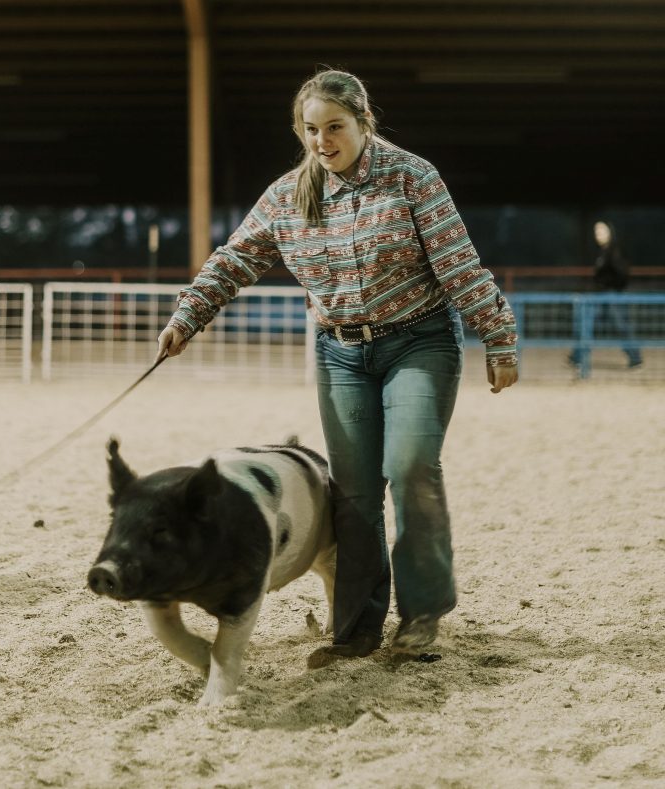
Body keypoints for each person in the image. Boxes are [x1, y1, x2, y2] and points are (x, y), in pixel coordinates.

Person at [157, 69, 518, 666]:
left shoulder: (411, 177)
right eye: (311, 130)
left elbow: (459, 264)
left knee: (409, 470)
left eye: (335, 127)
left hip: (418, 341)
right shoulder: (286, 196)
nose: (323, 141)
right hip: (341, 351)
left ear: (362, 121)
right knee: (354, 493)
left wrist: (498, 338)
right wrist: (188, 316)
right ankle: (354, 629)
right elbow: (235, 260)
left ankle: (423, 613)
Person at [569, 220, 642, 369]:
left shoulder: (614, 250)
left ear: (610, 232)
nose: (598, 234)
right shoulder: (602, 251)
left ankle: (635, 358)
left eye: (601, 231)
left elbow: (621, 274)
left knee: (620, 326)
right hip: (603, 295)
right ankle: (577, 357)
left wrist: (609, 285)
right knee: (588, 321)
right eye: (596, 231)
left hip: (612, 295)